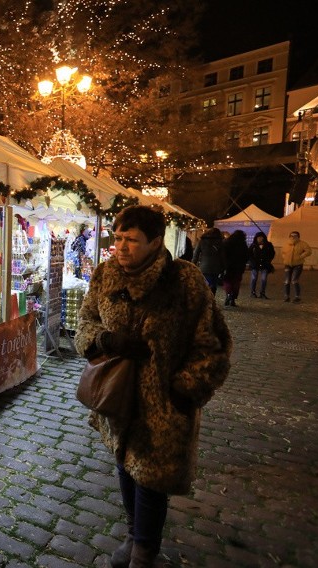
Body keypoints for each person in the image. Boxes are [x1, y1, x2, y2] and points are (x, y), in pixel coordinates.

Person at [75, 206, 232, 568]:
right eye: (117, 238)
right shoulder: (105, 274)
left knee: (151, 478)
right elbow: (85, 320)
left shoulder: (185, 280)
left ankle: (144, 551)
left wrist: (184, 388)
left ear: (156, 242)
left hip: (164, 404)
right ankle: (133, 534)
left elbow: (214, 344)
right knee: (125, 465)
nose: (122, 247)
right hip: (118, 397)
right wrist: (106, 339)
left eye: (132, 240)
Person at [280, 231, 312, 303]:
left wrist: (301, 256)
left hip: (298, 264)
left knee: (294, 280)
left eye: (295, 235)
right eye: (291, 235)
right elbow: (283, 252)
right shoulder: (286, 244)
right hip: (288, 264)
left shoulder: (303, 244)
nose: (293, 237)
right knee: (286, 281)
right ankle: (286, 296)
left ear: (298, 236)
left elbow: (309, 251)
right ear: (289, 236)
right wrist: (284, 257)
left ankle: (297, 297)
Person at [192, 227, 226, 296]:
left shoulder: (201, 241)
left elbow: (195, 255)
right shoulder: (221, 242)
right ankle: (211, 299)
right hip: (216, 268)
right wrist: (223, 268)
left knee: (205, 284)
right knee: (213, 285)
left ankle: (204, 299)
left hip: (204, 267)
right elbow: (223, 257)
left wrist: (193, 265)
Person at [220, 230, 249, 307]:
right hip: (239, 267)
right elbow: (246, 256)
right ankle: (233, 298)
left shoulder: (226, 242)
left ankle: (228, 294)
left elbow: (223, 255)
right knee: (236, 282)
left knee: (227, 281)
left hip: (228, 266)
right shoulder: (243, 244)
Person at [248, 232, 275, 299]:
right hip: (255, 265)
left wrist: (268, 260)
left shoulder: (268, 245)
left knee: (264, 279)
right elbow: (249, 254)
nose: (259, 239)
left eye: (261, 237)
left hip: (265, 265)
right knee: (254, 278)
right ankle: (252, 292)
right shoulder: (253, 245)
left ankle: (262, 293)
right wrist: (252, 262)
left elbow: (272, 253)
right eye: (258, 237)